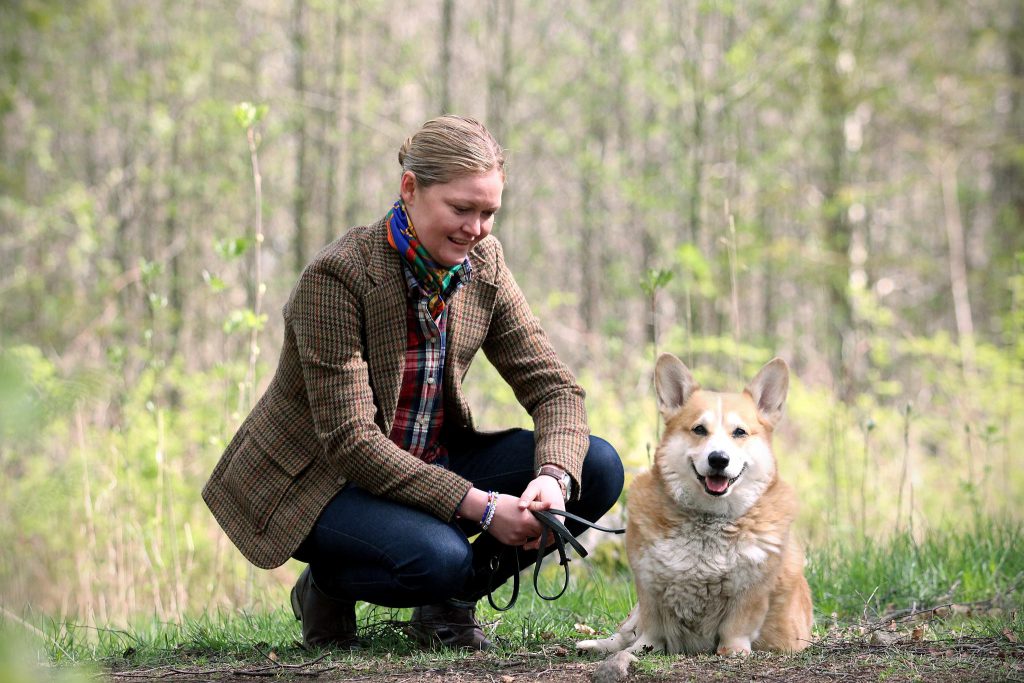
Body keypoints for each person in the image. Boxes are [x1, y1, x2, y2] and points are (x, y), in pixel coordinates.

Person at [202, 115, 624, 651]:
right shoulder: (337, 279)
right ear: (410, 189)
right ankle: (329, 581)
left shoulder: (483, 263)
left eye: (488, 213)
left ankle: (449, 603)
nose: (475, 228)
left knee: (597, 467)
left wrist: (553, 479)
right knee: (441, 557)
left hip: (428, 457)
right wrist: (485, 508)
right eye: (461, 209)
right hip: (324, 483)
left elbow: (554, 389)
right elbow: (352, 443)